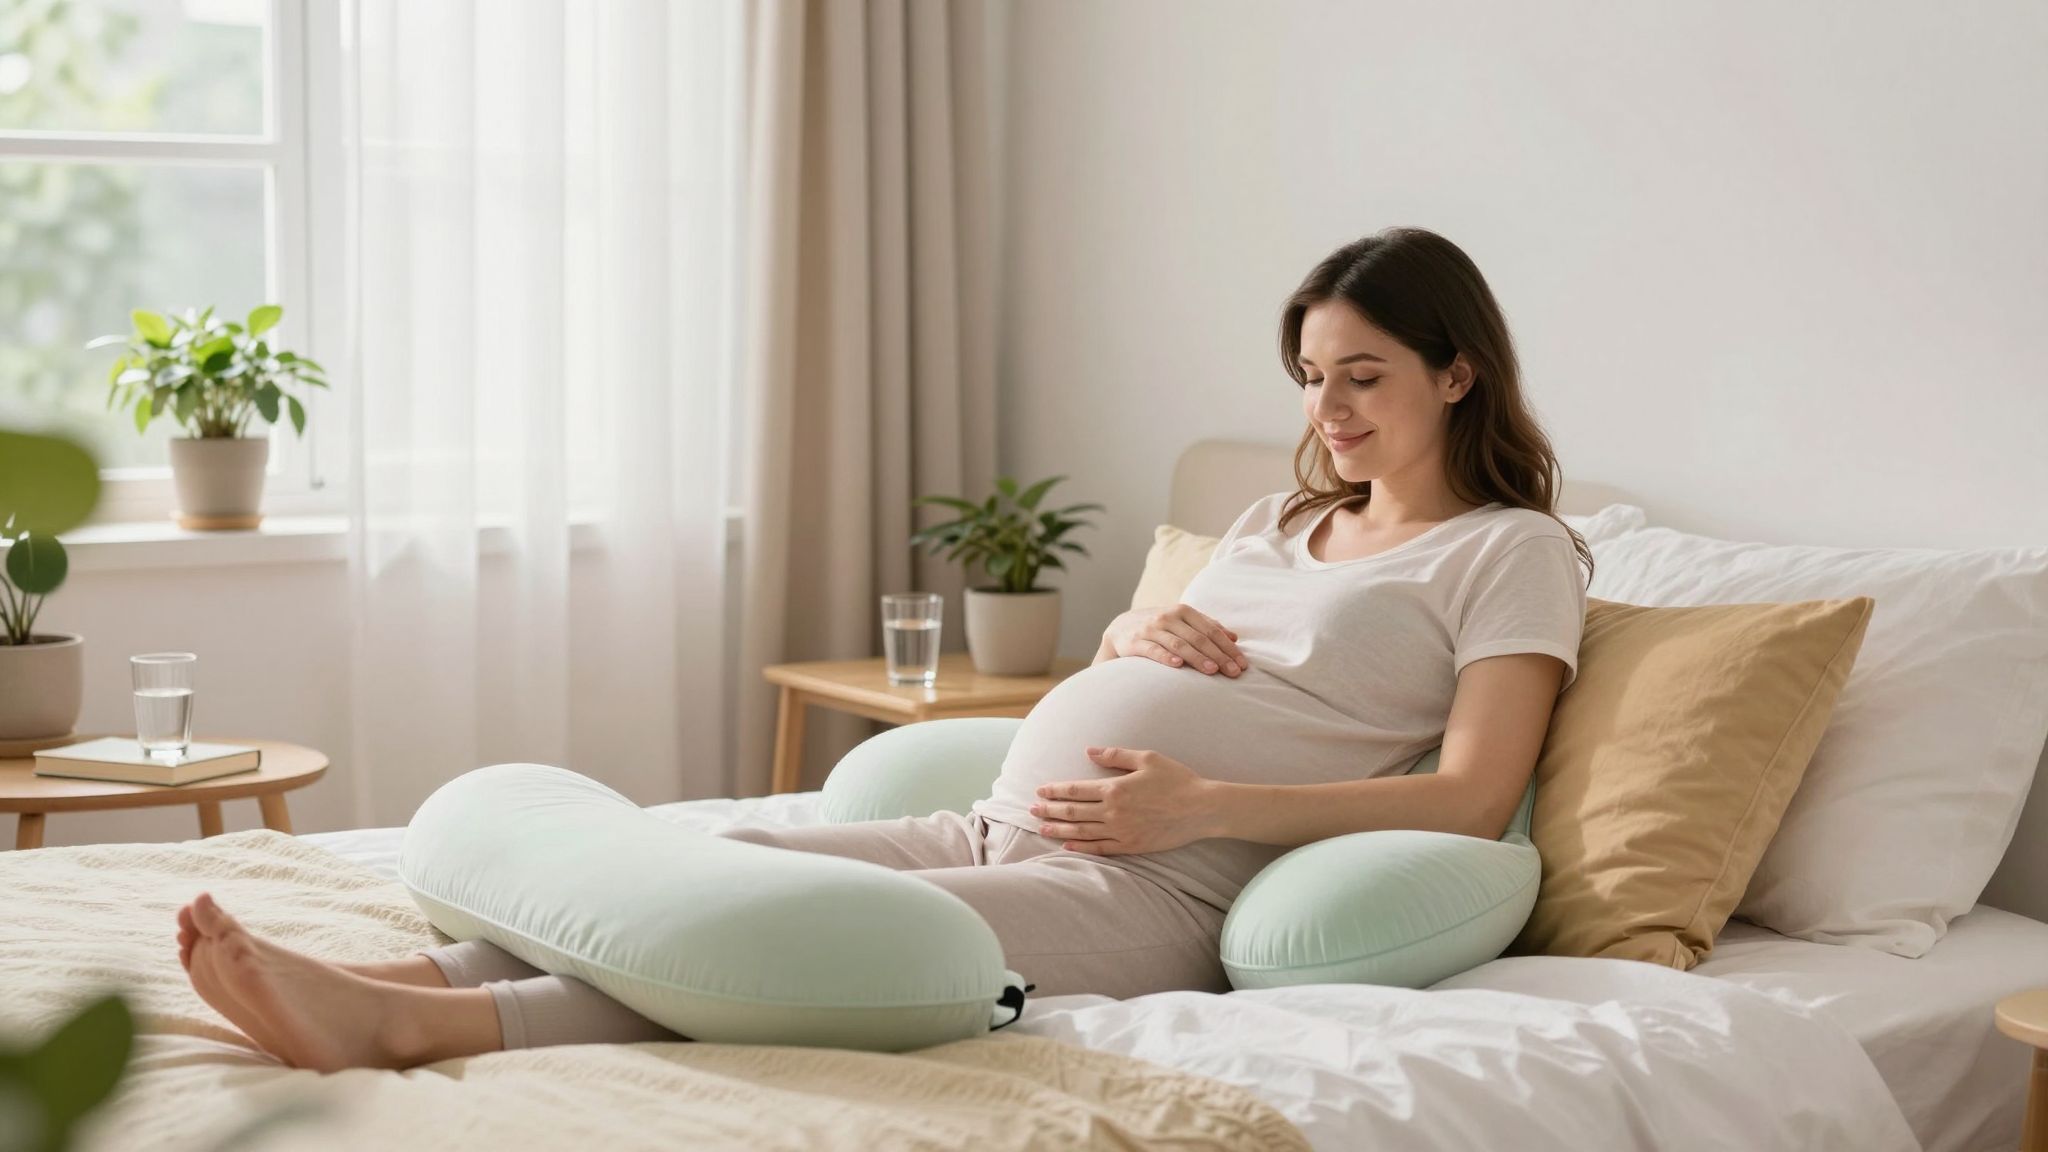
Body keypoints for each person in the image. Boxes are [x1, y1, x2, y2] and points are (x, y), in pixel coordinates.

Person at [177, 226, 1592, 1072]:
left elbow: (1471, 796)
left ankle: (423, 1035)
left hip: (1158, 887)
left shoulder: (1509, 551)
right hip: (989, 827)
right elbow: (1184, 661)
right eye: (1311, 377)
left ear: (1456, 370)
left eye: (1364, 375)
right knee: (694, 883)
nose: (1330, 410)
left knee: (774, 954)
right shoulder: (1284, 511)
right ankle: (377, 989)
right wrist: (1127, 628)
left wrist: (1207, 803)